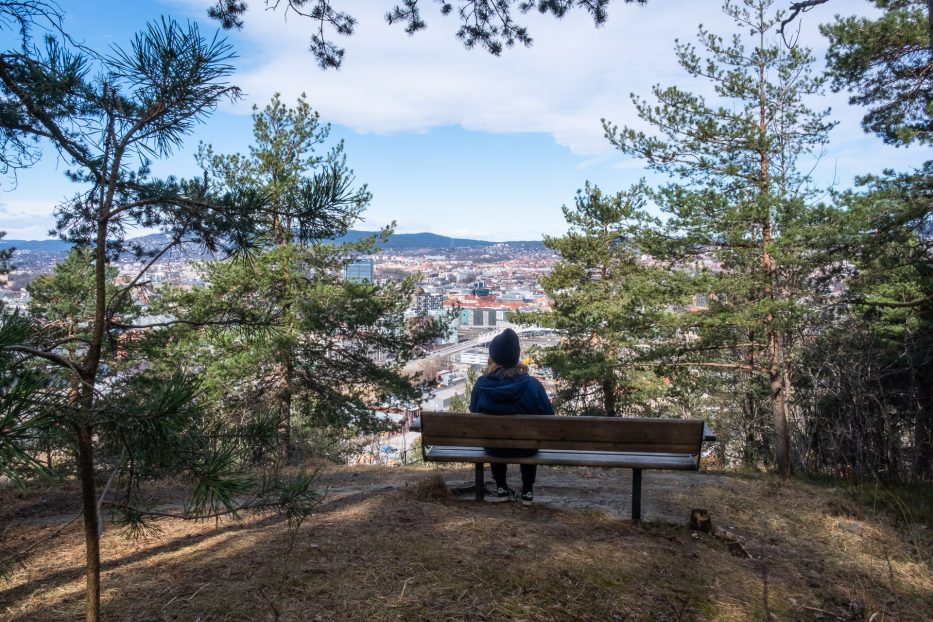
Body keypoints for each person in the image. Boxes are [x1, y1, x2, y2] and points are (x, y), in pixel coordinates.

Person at [469, 328, 554, 505]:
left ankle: (501, 487)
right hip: (527, 448)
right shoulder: (532, 384)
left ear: (493, 357)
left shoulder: (481, 385)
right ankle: (527, 490)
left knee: (494, 434)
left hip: (494, 448)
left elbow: (474, 412)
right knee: (529, 437)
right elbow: (548, 416)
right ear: (516, 357)